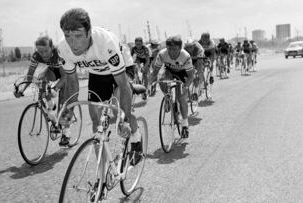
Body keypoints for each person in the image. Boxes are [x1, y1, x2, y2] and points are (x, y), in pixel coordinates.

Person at [57, 8, 142, 159]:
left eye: (78, 36)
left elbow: (122, 84)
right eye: (68, 36)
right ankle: (101, 176)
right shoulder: (63, 48)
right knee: (95, 118)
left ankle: (136, 137)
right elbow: (72, 82)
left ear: (89, 33)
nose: (73, 44)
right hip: (97, 72)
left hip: (121, 69)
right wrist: (70, 108)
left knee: (119, 113)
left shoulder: (105, 42)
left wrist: (125, 118)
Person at [13, 35, 73, 146]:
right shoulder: (36, 56)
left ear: (51, 47)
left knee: (63, 104)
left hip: (65, 74)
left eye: (46, 51)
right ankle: (51, 108)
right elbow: (30, 76)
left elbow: (64, 77)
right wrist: (22, 90)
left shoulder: (58, 54)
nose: (43, 54)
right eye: (40, 51)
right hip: (52, 70)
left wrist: (55, 88)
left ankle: (66, 133)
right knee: (40, 78)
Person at [149, 36, 194, 138]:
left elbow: (191, 76)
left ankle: (185, 124)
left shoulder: (185, 56)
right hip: (169, 70)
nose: (171, 52)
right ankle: (167, 97)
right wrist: (149, 84)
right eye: (169, 49)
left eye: (174, 49)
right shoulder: (162, 54)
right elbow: (155, 72)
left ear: (180, 48)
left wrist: (186, 86)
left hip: (183, 73)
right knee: (161, 79)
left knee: (181, 97)